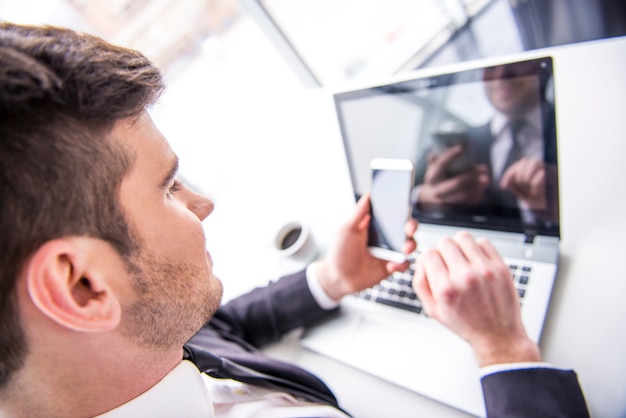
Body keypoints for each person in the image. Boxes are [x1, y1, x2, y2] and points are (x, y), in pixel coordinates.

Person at [0, 22, 588, 417]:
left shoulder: (131, 344)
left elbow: (222, 326)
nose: (203, 204)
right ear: (82, 285)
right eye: (169, 186)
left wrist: (332, 280)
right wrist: (507, 352)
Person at [412, 59, 559, 229]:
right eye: (490, 67)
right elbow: (395, 197)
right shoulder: (455, 143)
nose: (500, 75)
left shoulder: (577, 129)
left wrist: (565, 204)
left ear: (541, 68)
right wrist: (423, 199)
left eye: (517, 63)